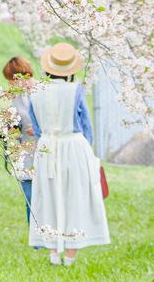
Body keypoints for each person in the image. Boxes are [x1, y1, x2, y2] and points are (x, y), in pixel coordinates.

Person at [28, 42, 110, 266]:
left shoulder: (35, 91)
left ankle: (53, 253)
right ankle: (70, 257)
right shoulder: (76, 90)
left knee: (48, 196)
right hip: (73, 146)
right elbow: (85, 125)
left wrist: (46, 136)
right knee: (75, 196)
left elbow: (35, 127)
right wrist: (86, 150)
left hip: (46, 148)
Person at [1, 56, 37, 222]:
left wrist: (39, 130)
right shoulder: (15, 96)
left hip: (44, 150)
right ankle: (36, 241)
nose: (10, 84)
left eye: (12, 80)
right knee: (29, 198)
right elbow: (16, 122)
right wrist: (7, 128)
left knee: (44, 198)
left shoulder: (43, 90)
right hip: (25, 153)